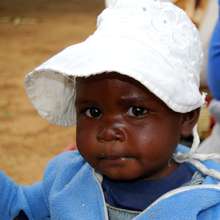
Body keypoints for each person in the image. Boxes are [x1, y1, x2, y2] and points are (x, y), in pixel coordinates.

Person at [2, 0, 220, 219]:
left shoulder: (209, 206)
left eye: (136, 111)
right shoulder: (68, 179)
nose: (107, 131)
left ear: (186, 118)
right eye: (93, 112)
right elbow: (17, 210)